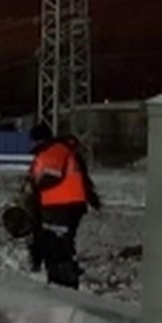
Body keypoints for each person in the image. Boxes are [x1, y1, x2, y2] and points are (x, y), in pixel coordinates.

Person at [25, 122, 100, 288]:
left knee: (58, 246)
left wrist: (33, 186)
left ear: (39, 140)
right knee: (53, 243)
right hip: (61, 205)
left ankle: (65, 285)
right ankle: (59, 280)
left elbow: (50, 176)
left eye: (33, 140)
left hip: (63, 205)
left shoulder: (54, 151)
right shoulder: (52, 151)